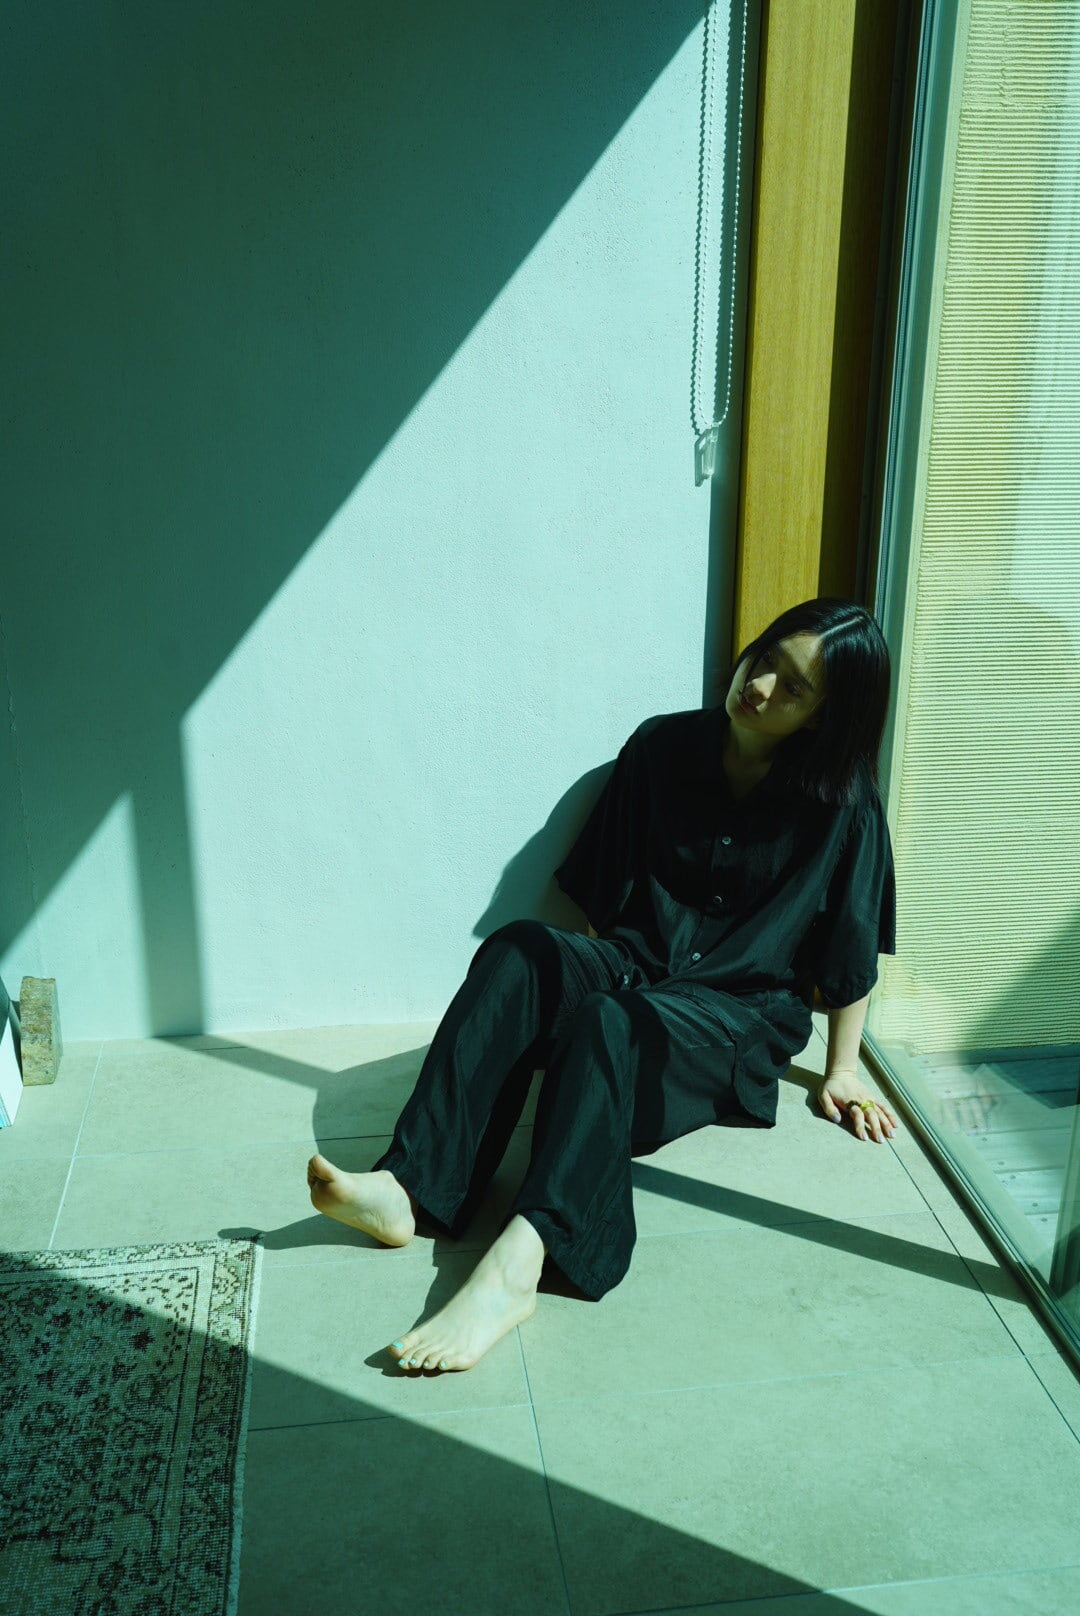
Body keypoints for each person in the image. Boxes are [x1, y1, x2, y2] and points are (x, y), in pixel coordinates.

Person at [307, 596, 899, 1375]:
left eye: (793, 688)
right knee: (522, 949)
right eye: (765, 660)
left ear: (825, 717)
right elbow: (602, 892)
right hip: (633, 966)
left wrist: (842, 1068)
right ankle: (410, 1188)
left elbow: (854, 946)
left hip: (736, 1016)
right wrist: (567, 1001)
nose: (759, 688)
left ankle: (519, 1265)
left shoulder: (844, 805)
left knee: (612, 1022)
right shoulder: (661, 747)